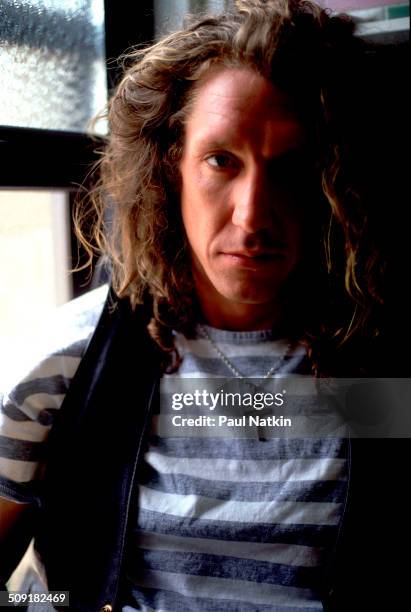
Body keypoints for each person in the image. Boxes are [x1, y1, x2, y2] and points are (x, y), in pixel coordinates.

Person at [0, 1, 407, 611]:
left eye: (292, 168)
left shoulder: (380, 358)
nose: (252, 215)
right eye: (222, 161)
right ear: (172, 170)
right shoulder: (76, 363)